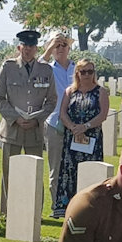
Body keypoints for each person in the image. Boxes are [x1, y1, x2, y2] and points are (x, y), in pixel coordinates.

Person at [0, 29, 57, 214]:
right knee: (8, 173)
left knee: (35, 173)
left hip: (34, 130)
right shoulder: (8, 67)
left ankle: (34, 212)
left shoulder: (45, 70)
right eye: (25, 46)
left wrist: (37, 120)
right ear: (19, 47)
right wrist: (15, 118)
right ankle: (7, 213)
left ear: (36, 48)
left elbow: (52, 100)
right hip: (12, 129)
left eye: (31, 46)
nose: (28, 50)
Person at [53, 58, 108, 218]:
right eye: (83, 71)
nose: (86, 75)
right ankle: (67, 208)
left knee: (90, 171)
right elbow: (62, 113)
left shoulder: (100, 92)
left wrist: (85, 126)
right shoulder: (70, 91)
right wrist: (73, 127)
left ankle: (90, 208)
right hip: (72, 139)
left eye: (90, 71)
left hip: (92, 139)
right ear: (77, 73)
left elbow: (102, 115)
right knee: (69, 173)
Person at [40, 32, 76, 207]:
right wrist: (48, 49)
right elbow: (35, 67)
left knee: (74, 165)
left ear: (69, 48)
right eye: (57, 45)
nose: (60, 48)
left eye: (64, 45)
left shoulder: (77, 69)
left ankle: (72, 202)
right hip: (55, 123)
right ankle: (56, 204)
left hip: (76, 124)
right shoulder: (47, 68)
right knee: (56, 166)